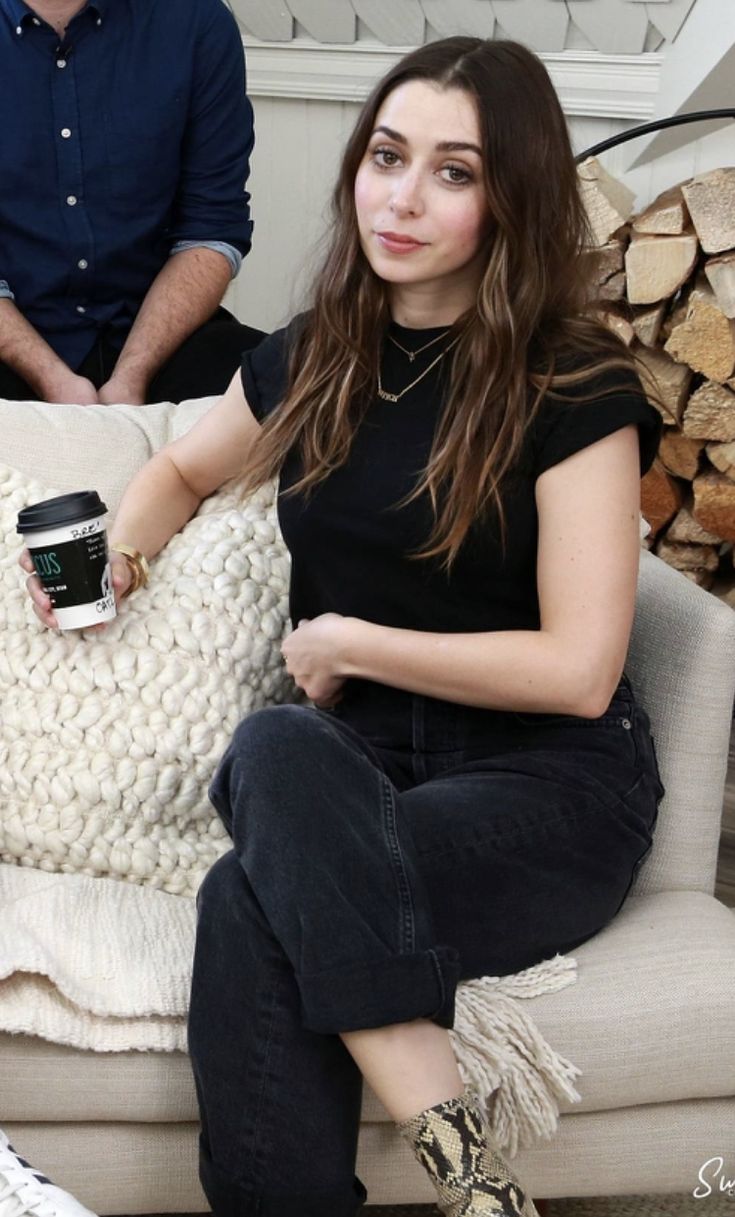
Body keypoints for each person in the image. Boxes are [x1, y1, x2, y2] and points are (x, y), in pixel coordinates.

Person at [21, 37, 665, 1217]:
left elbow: (581, 672)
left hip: (546, 784)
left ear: (510, 198)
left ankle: (468, 1178)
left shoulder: (572, 384)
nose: (402, 197)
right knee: (273, 753)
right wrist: (117, 553)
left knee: (247, 896)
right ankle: (467, 1177)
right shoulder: (318, 354)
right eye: (387, 155)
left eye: (453, 172)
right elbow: (181, 472)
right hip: (355, 768)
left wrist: (353, 643)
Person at [0, 0, 265, 406]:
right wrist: (51, 376)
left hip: (158, 337)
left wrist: (132, 374)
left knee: (301, 386)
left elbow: (210, 231)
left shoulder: (196, 20)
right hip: (12, 340)